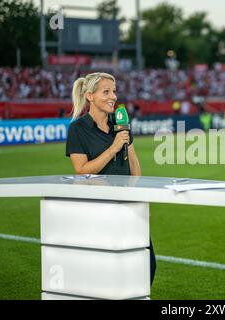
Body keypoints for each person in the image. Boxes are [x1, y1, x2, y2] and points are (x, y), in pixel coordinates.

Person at [65, 72, 156, 285]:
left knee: (147, 264)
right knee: (106, 268)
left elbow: (134, 166)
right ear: (90, 96)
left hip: (128, 206)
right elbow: (81, 170)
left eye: (114, 91)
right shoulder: (78, 129)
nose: (113, 96)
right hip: (98, 208)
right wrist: (113, 147)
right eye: (106, 92)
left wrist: (141, 200)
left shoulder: (120, 122)